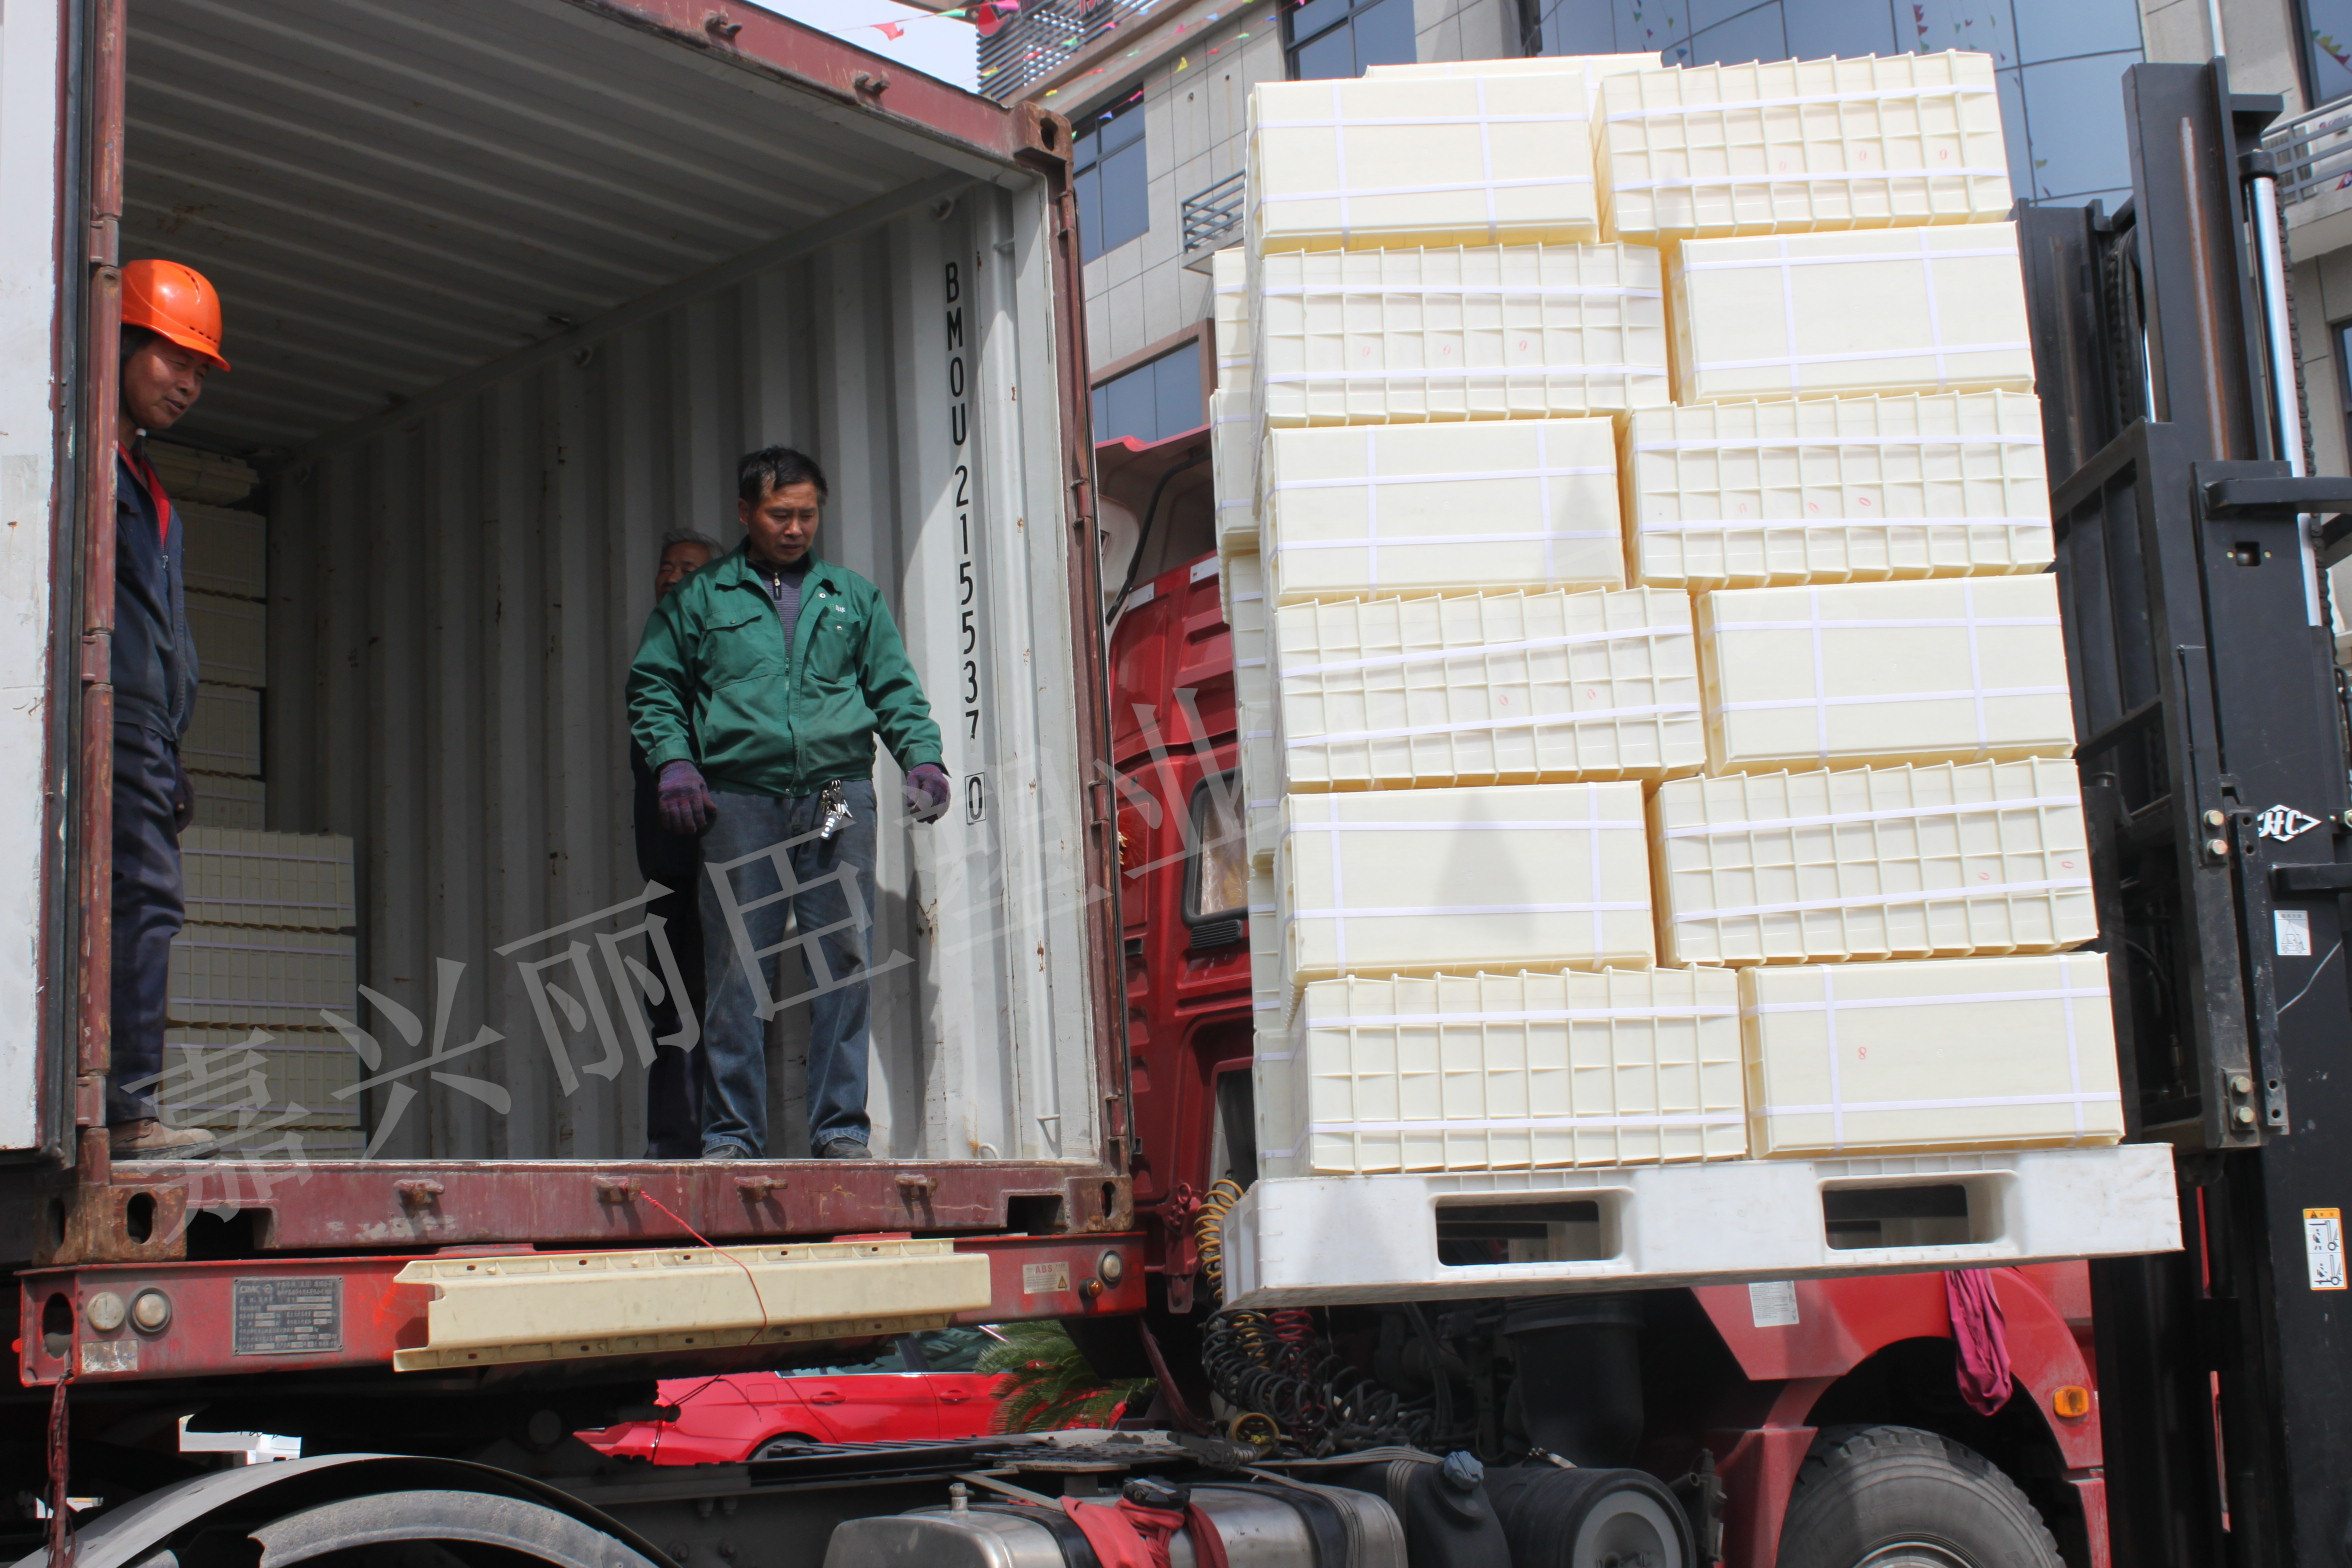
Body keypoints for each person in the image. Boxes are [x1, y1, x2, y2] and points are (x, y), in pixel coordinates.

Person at [627, 448, 952, 1160]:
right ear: (746, 512)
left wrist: (922, 757)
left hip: (834, 791)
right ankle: (732, 1137)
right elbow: (653, 685)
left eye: (808, 514)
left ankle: (840, 1132)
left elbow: (894, 688)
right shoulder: (702, 598)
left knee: (842, 955)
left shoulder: (850, 597)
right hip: (741, 798)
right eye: (781, 514)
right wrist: (675, 761)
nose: (796, 528)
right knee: (738, 967)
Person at [109, 260, 231, 1160]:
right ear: (117, 343)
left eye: (198, 369)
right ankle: (125, 1110)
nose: (186, 383)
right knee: (141, 901)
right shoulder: (83, 466)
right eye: (172, 358)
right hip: (103, 720)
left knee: (140, 905)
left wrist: (171, 749)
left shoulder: (152, 494)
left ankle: (120, 1103)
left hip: (145, 732)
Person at [632, 527, 719, 1157]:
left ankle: (729, 1141)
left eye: (688, 568)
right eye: (666, 566)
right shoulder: (651, 667)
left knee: (730, 1004)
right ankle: (671, 1145)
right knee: (668, 1006)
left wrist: (832, 820)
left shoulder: (732, 658)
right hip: (669, 867)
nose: (672, 576)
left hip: (732, 864)